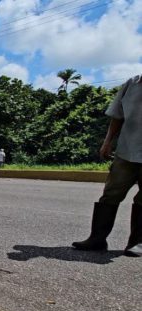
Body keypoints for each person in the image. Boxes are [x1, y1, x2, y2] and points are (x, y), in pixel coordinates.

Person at [73, 74, 142, 257]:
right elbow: (117, 116)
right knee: (110, 194)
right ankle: (97, 238)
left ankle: (137, 242)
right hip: (127, 151)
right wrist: (107, 141)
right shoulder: (132, 84)